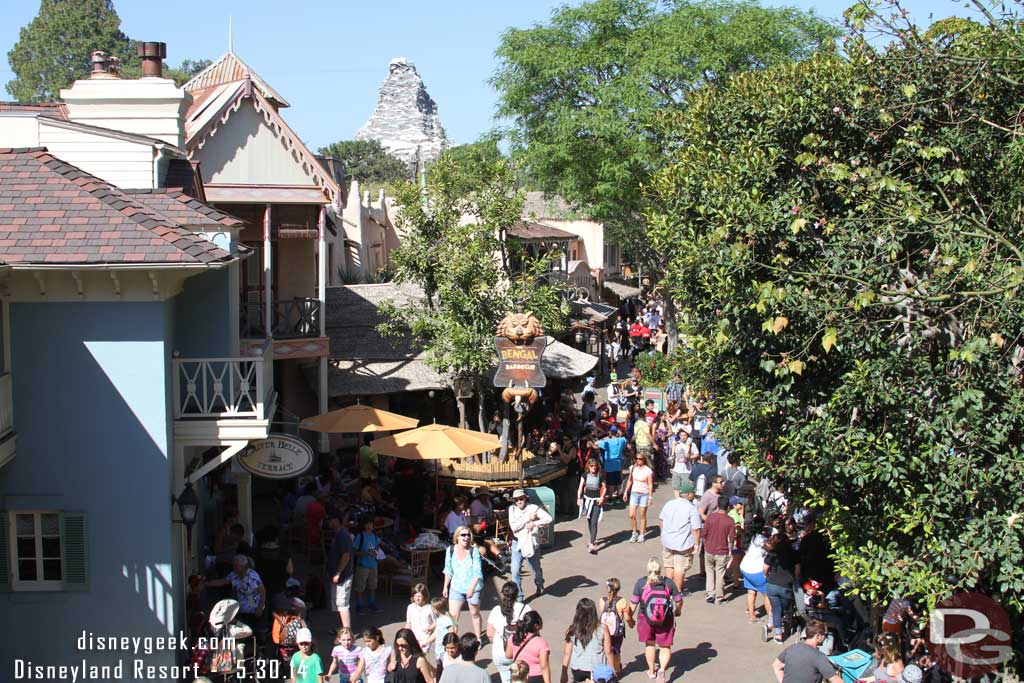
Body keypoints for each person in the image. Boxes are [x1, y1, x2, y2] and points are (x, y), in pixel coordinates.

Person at [629, 557, 683, 683]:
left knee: (650, 644)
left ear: (648, 569)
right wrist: (678, 611)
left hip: (645, 618)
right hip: (665, 618)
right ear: (660, 569)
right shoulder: (668, 583)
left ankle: (652, 671)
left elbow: (633, 604)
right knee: (665, 646)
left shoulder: (641, 583)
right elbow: (678, 600)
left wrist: (629, 618)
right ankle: (662, 670)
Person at [508, 489, 553, 601]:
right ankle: (519, 597)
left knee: (535, 569)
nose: (519, 501)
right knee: (515, 571)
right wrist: (528, 518)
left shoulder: (533, 508)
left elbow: (549, 518)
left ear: (525, 498)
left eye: (521, 498)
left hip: (530, 543)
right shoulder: (512, 510)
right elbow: (514, 527)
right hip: (517, 543)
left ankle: (539, 584)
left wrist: (535, 523)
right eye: (516, 499)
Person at [658, 481, 703, 593]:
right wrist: (697, 544)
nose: (693, 495)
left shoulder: (669, 504)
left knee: (669, 565)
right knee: (680, 567)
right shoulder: (691, 508)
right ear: (688, 494)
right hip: (682, 544)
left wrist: (663, 534)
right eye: (693, 493)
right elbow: (696, 528)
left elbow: (661, 521)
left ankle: (667, 589)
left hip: (667, 541)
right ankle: (678, 591)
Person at [488, 581, 535, 683]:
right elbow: (532, 631)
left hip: (500, 653)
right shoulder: (525, 609)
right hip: (519, 652)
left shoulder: (496, 610)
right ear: (517, 593)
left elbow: (490, 634)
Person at [443, 525, 485, 637]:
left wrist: (471, 589)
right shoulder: (450, 550)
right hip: (456, 587)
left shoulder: (474, 551)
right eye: (463, 535)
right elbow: (448, 569)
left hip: (473, 587)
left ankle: (478, 637)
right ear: (457, 537)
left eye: (468, 535)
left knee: (474, 613)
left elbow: (478, 573)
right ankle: (453, 639)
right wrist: (445, 586)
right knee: (453, 616)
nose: (466, 537)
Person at [771, 620, 842, 683]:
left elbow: (776, 665)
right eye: (825, 635)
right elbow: (835, 680)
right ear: (818, 636)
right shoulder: (818, 657)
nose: (826, 638)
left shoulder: (792, 648)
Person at [560, 598, 611, 683]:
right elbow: (608, 652)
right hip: (596, 669)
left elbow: (567, 653)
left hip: (577, 669)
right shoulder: (602, 628)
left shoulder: (572, 629)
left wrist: (564, 673)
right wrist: (612, 670)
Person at [205, 555, 266, 622]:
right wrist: (206, 583)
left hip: (253, 608)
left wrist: (259, 608)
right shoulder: (234, 574)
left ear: (243, 567)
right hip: (241, 608)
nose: (234, 567)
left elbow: (262, 592)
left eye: (236, 566)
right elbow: (222, 581)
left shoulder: (253, 577)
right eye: (234, 565)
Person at [764, 533, 801, 643]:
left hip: (772, 584)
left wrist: (768, 576)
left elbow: (765, 568)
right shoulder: (794, 554)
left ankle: (774, 628)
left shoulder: (772, 554)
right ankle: (777, 630)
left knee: (776, 608)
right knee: (782, 609)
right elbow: (797, 571)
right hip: (786, 586)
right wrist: (794, 578)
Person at [702, 494, 736, 605]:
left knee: (710, 571)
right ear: (728, 506)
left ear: (718, 504)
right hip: (722, 550)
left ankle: (710, 594)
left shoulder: (710, 517)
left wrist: (706, 544)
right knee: (720, 573)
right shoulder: (730, 521)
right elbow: (731, 538)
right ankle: (719, 596)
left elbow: (704, 533)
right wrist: (730, 550)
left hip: (709, 549)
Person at [506, 611, 551, 683]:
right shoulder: (541, 642)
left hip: (518, 675)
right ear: (537, 625)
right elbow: (544, 667)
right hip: (535, 677)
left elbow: (508, 655)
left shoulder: (514, 637)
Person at [598, 578, 631, 676]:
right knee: (616, 650)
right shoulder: (622, 601)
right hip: (617, 631)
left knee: (606, 649)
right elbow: (627, 617)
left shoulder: (602, 600)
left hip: (604, 630)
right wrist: (631, 623)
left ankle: (606, 667)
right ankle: (616, 669)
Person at [326, 513, 353, 630]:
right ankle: (341, 630)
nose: (328, 522)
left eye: (330, 519)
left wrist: (338, 572)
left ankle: (347, 632)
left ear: (336, 520)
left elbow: (346, 555)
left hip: (343, 576)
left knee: (342, 605)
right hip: (337, 575)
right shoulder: (338, 534)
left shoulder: (343, 535)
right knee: (337, 604)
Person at [352, 515, 383, 615]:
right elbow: (354, 551)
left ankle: (372, 604)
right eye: (367, 524)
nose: (369, 526)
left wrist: (376, 552)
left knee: (372, 586)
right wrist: (366, 554)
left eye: (371, 524)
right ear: (364, 525)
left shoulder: (374, 536)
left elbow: (377, 546)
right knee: (360, 587)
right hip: (362, 565)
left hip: (373, 565)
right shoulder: (360, 536)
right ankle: (359, 606)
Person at [622, 452, 654, 543]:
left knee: (642, 514)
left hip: (644, 493)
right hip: (634, 493)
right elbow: (630, 480)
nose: (638, 460)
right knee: (631, 515)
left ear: (644, 460)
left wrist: (650, 497)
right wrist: (625, 492)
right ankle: (634, 532)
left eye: (640, 459)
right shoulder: (633, 468)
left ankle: (642, 534)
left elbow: (650, 484)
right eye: (637, 458)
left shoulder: (648, 471)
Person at [577, 458, 606, 554]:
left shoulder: (600, 476)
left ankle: (592, 543)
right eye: (592, 466)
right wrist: (579, 498)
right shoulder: (585, 475)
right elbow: (580, 488)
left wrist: (601, 497)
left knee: (594, 522)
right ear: (588, 467)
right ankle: (592, 538)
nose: (594, 468)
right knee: (589, 521)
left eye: (595, 466)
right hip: (587, 501)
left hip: (596, 501)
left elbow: (604, 488)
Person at [406, 583, 436, 656]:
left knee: (421, 657)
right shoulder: (410, 607)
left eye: (419, 596)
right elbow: (408, 623)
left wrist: (429, 628)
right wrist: (404, 634)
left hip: (425, 637)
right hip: (413, 636)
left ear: (425, 596)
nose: (417, 598)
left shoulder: (430, 608)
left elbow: (436, 622)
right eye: (415, 596)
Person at [597, 426, 628, 498]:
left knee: (610, 482)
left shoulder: (607, 441)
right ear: (617, 432)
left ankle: (610, 497)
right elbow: (625, 439)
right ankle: (617, 497)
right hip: (618, 463)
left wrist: (604, 438)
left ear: (610, 433)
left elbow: (596, 443)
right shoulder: (620, 440)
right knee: (618, 481)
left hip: (609, 464)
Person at [431, 598, 458, 664]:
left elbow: (452, 633)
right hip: (439, 648)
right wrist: (426, 642)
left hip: (445, 649)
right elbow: (436, 633)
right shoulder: (439, 619)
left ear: (436, 609)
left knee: (443, 667)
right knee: (440, 666)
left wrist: (450, 645)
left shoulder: (446, 620)